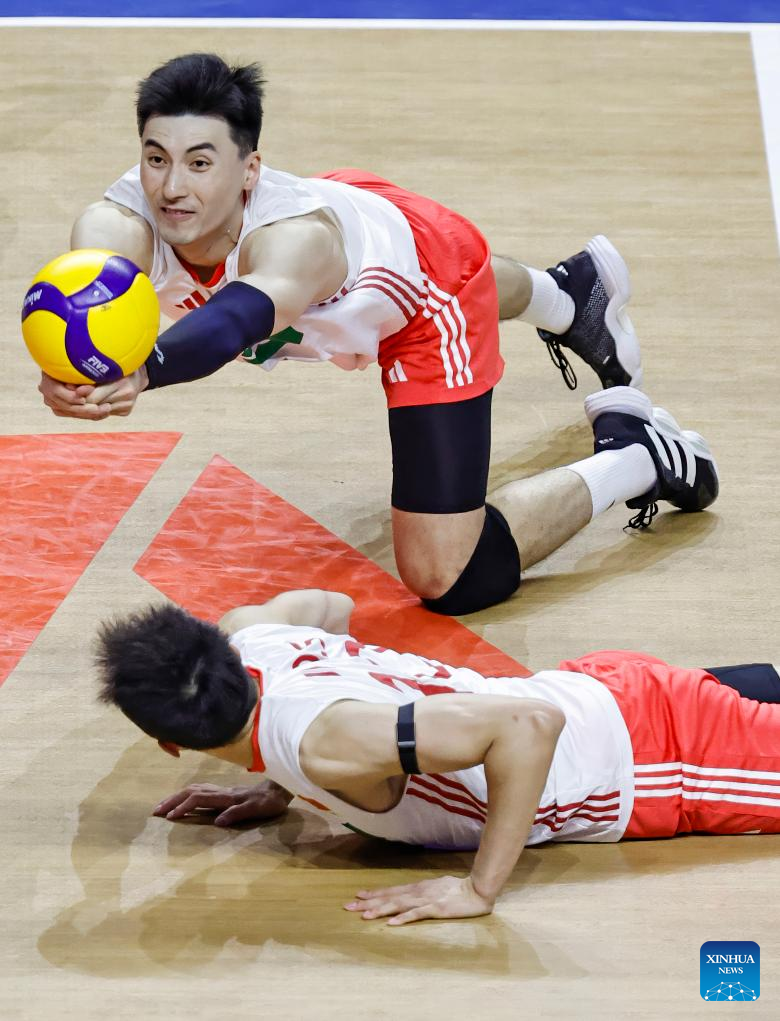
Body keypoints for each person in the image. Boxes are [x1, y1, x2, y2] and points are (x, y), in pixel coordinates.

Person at [41, 53, 718, 614]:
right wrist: (76, 367)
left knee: (449, 575)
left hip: (425, 304)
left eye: (199, 163)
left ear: (250, 170)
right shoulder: (119, 221)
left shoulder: (296, 240)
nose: (171, 188)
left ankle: (639, 454)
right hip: (368, 230)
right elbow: (83, 308)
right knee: (427, 265)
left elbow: (239, 317)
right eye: (156, 158)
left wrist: (146, 369)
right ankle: (571, 295)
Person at [96, 588, 780, 926]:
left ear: (170, 743)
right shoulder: (253, 632)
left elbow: (528, 726)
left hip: (659, 758)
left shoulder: (327, 745)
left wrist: (478, 890)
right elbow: (332, 607)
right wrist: (278, 784)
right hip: (608, 694)